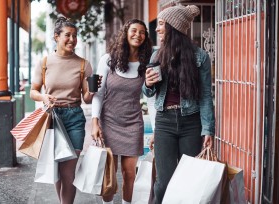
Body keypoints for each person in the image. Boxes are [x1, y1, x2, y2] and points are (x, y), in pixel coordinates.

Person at [142, 5, 215, 204]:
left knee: (189, 180)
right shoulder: (157, 56)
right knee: (164, 182)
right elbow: (149, 92)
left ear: (173, 27)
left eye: (161, 24)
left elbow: (206, 96)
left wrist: (207, 129)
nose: (157, 29)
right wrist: (147, 84)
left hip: (191, 123)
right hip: (165, 122)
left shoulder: (200, 57)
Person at [30, 16, 96, 204]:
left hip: (74, 117)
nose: (72, 40)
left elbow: (86, 98)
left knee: (69, 173)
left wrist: (93, 90)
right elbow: (33, 92)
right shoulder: (44, 63)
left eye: (75, 36)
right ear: (56, 37)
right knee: (56, 171)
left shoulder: (84, 64)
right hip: (51, 119)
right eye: (67, 35)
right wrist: (43, 97)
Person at [91, 19, 152, 204]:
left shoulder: (146, 64)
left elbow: (151, 98)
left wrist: (155, 129)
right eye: (134, 30)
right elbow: (98, 94)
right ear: (126, 33)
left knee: (129, 173)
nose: (138, 35)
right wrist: (95, 122)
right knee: (109, 172)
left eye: (142, 32)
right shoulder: (108, 60)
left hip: (133, 123)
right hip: (108, 121)